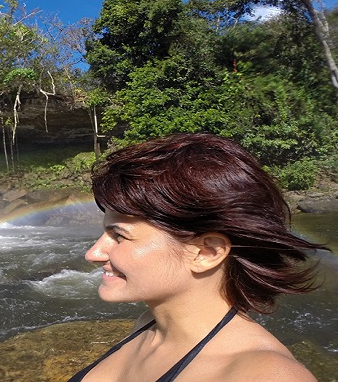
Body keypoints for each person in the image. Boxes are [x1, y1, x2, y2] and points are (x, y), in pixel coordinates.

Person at [68, 133, 330, 382]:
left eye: (120, 236)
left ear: (208, 252)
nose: (93, 254)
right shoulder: (148, 326)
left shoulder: (267, 375)